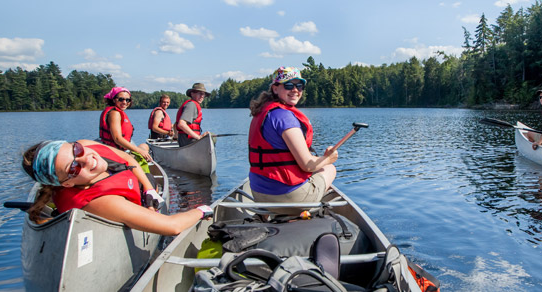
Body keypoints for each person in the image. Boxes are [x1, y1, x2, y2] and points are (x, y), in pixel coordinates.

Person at [20, 140, 212, 235]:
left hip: (138, 187)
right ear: (67, 184)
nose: (86, 158)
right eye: (73, 167)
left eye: (75, 150)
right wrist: (202, 210)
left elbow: (126, 158)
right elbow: (173, 226)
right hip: (122, 199)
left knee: (142, 155)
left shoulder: (87, 145)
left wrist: (149, 190)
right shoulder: (101, 202)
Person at [247, 66, 338, 214]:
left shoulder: (263, 112)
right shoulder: (284, 117)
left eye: (299, 85)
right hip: (287, 198)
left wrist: (320, 158)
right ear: (275, 89)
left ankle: (265, 216)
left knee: (315, 166)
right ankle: (302, 209)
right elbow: (308, 165)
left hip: (258, 195)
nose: (295, 89)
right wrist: (329, 159)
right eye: (288, 85)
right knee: (329, 169)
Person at [99, 87, 152, 162]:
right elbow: (117, 139)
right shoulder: (115, 113)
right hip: (117, 153)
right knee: (144, 149)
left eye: (128, 100)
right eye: (121, 99)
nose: (125, 102)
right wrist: (139, 151)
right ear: (114, 100)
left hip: (120, 150)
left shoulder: (117, 112)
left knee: (145, 146)